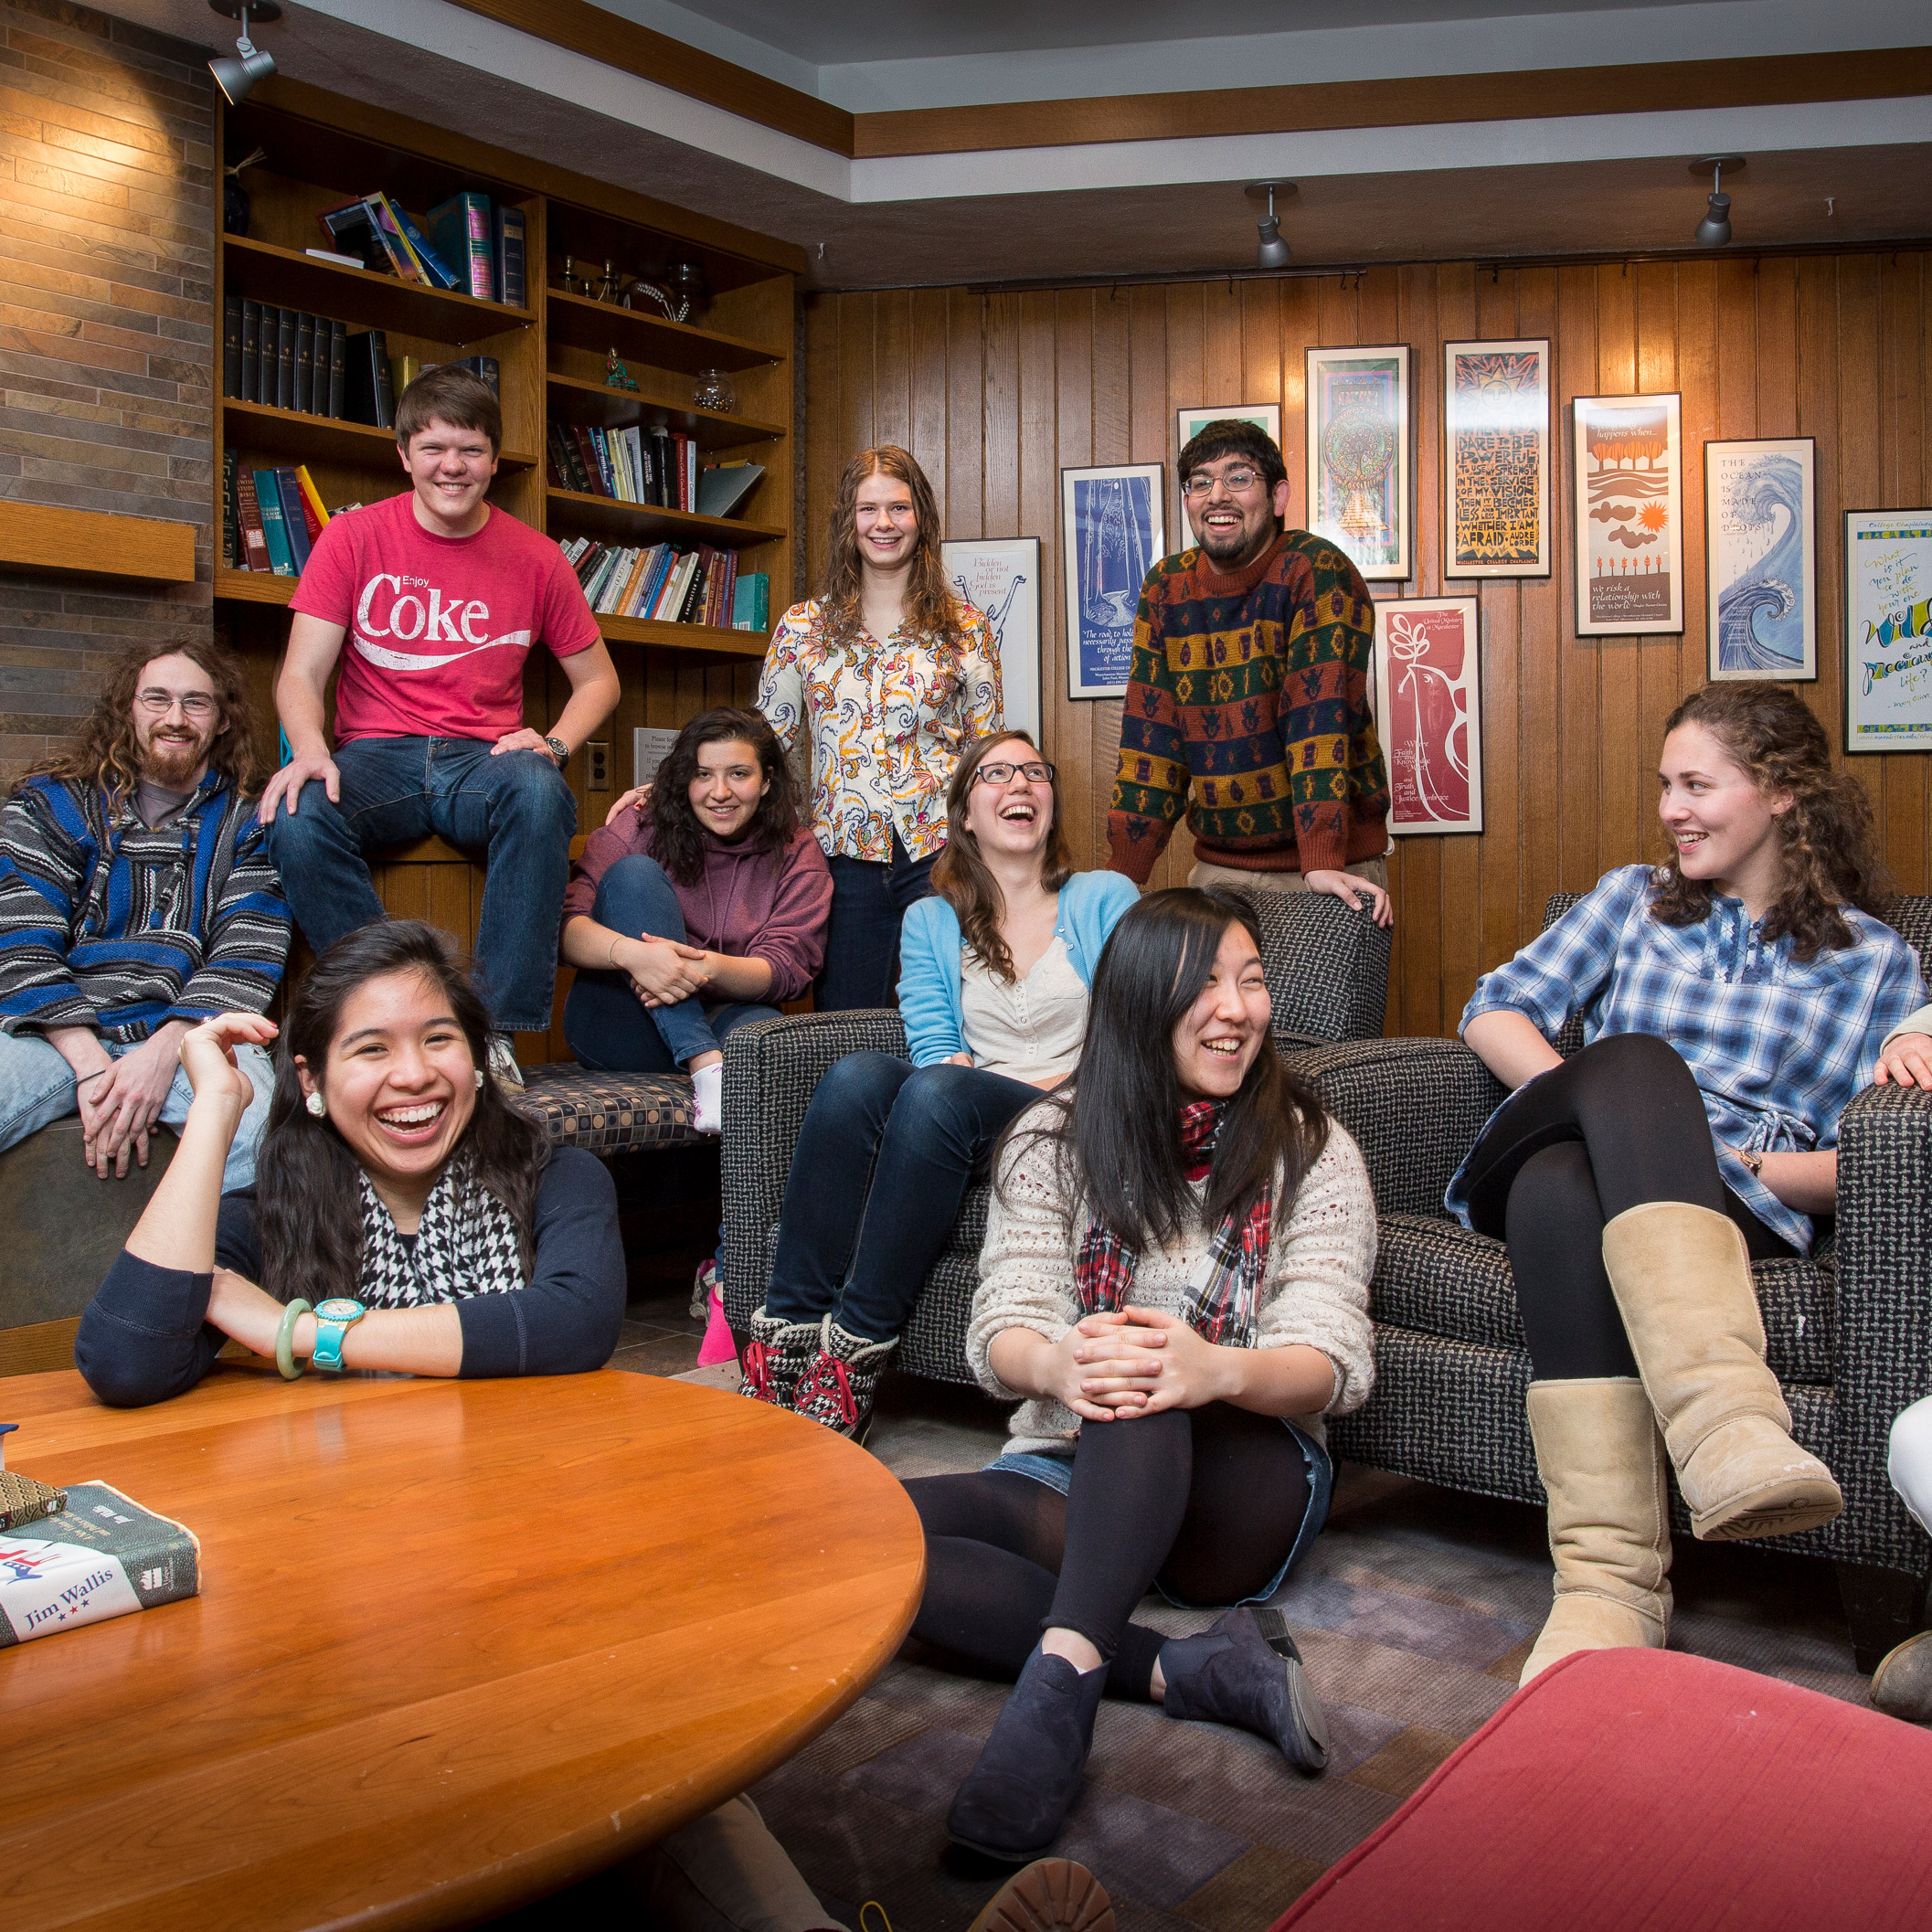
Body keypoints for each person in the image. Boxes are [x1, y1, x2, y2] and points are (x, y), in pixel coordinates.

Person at [1445, 681, 1926, 1686]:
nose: (1671, 808)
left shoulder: (1875, 961)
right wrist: (1599, 1098)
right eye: (1664, 784)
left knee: (1559, 1193)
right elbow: (1493, 1007)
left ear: (1780, 793)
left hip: (1725, 1202)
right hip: (1550, 1125)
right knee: (1632, 1070)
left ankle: (1606, 1588)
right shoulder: (1628, 897)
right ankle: (1724, 1426)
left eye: (1696, 784)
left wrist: (1722, 1159)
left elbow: (1871, 1167)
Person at [901, 887, 1375, 1863]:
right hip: (1072, 1461)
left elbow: (1328, 1362)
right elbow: (1002, 1328)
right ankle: (1189, 1670)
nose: (1235, 1008)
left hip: (1243, 1477)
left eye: (1250, 981)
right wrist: (1055, 1360)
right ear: (1132, 1000)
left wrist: (1210, 1368)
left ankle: (1060, 1686)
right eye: (1202, 984)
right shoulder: (1048, 1138)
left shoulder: (1307, 1145)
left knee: (1139, 1358)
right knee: (867, 1541)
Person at [743, 731, 1138, 1438]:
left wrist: (1043, 1082)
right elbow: (932, 1036)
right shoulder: (931, 917)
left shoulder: (1103, 896)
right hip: (973, 1102)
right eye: (996, 774)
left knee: (938, 1095)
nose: (1019, 784)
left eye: (1034, 773)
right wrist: (952, 1074)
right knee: (857, 1075)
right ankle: (786, 1337)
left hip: (1083, 1099)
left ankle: (854, 1357)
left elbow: (1133, 1023)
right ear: (965, 813)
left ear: (1050, 800)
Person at [74, 919, 625, 1407]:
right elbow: (126, 1365)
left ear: (477, 1062)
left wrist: (298, 1333)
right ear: (312, 1081)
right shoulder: (276, 1215)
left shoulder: (559, 1179)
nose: (413, 1074)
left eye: (439, 1039)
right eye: (371, 1049)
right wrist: (215, 1110)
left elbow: (576, 1323)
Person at [260, 365, 621, 1088]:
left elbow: (599, 681)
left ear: (493, 459)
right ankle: (392, 998)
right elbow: (299, 673)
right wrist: (308, 751)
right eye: (433, 449)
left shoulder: (536, 557)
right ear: (404, 454)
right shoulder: (354, 537)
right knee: (293, 812)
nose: (452, 467)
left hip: (480, 761)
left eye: (470, 450)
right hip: (374, 756)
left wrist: (551, 743)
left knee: (541, 788)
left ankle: (493, 1035)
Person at [0, 636, 287, 1190]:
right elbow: (19, 939)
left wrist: (165, 1052)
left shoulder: (256, 822)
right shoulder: (49, 803)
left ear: (223, 720)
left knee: (258, 1133)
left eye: (196, 703)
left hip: (192, 1032)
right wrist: (91, 1065)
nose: (175, 718)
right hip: (49, 1032)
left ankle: (217, 1276)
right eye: (156, 699)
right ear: (127, 708)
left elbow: (247, 952)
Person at [1105, 419, 1394, 928]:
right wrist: (1125, 872)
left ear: (1279, 496)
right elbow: (1152, 738)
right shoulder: (1165, 587)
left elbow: (1318, 720)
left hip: (1326, 871)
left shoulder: (1316, 569)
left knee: (1315, 1012)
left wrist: (1322, 859)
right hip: (1218, 871)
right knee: (1213, 1011)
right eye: (1200, 482)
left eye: (1239, 478)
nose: (1218, 496)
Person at [756, 444, 1003, 1010]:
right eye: (868, 510)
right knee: (848, 1032)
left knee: (943, 1021)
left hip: (941, 858)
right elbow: (766, 748)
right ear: (848, 522)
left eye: (899, 508)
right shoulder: (803, 628)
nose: (884, 523)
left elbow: (986, 757)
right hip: (840, 863)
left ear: (923, 520)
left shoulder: (967, 629)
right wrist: (667, 789)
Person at [560, 707, 831, 1135]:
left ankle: (713, 1073)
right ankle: (705, 1064)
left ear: (768, 780)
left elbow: (785, 970)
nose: (719, 792)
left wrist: (697, 969)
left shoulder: (796, 849)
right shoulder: (639, 825)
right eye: (703, 775)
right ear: (685, 779)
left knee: (768, 1038)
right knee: (634, 876)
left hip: (725, 1014)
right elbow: (568, 931)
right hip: (623, 1022)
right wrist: (636, 956)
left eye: (739, 774)